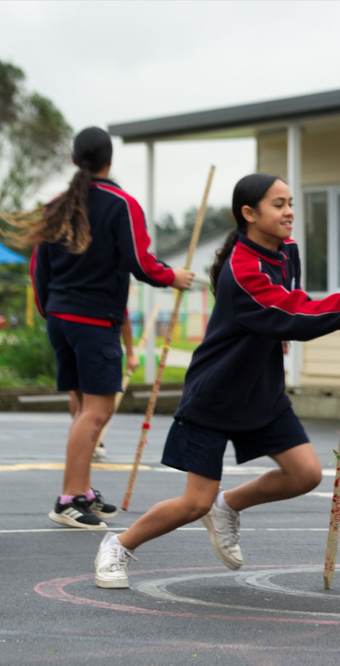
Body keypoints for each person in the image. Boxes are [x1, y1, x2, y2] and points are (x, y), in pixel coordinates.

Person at [93, 173, 340, 589]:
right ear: (249, 213)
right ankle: (119, 545)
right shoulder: (242, 269)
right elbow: (286, 311)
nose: (289, 211)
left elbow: (296, 307)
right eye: (278, 204)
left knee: (305, 474)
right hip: (217, 393)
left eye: (290, 202)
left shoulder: (286, 251)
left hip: (262, 389)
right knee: (194, 502)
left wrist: (326, 317)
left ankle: (227, 508)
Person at [25, 127, 194, 530]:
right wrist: (174, 277)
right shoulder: (122, 204)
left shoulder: (56, 206)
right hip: (93, 322)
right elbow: (140, 260)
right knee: (97, 412)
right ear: (110, 160)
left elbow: (38, 270)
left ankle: (81, 492)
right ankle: (68, 500)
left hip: (62, 319)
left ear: (73, 161)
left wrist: (52, 313)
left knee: (84, 408)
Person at [92, 314, 140, 462]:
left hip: (65, 324)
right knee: (104, 407)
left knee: (82, 400)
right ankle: (93, 440)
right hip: (101, 337)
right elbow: (123, 314)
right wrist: (130, 353)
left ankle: (91, 440)